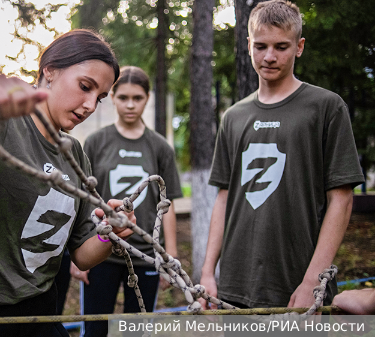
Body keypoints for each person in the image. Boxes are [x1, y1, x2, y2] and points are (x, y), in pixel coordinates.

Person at [0, 29, 134, 337]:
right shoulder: (5, 124)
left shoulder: (75, 155)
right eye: (85, 87)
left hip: (36, 309)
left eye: (99, 97)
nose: (89, 105)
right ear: (50, 70)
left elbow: (82, 255)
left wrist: (109, 234)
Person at [200, 0, 364, 310]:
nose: (270, 56)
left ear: (299, 47)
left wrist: (312, 281)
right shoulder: (233, 117)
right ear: (248, 45)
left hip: (297, 285)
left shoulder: (326, 107)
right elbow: (224, 198)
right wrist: (208, 273)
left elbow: (341, 200)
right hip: (235, 285)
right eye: (260, 46)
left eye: (281, 46)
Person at [70, 66, 182, 336]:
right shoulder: (96, 142)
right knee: (94, 331)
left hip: (146, 256)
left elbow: (167, 206)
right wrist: (78, 254)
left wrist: (169, 256)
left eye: (138, 98)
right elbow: (84, 200)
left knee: (138, 332)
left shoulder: (160, 147)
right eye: (123, 97)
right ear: (113, 97)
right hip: (102, 252)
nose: (130, 105)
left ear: (147, 98)